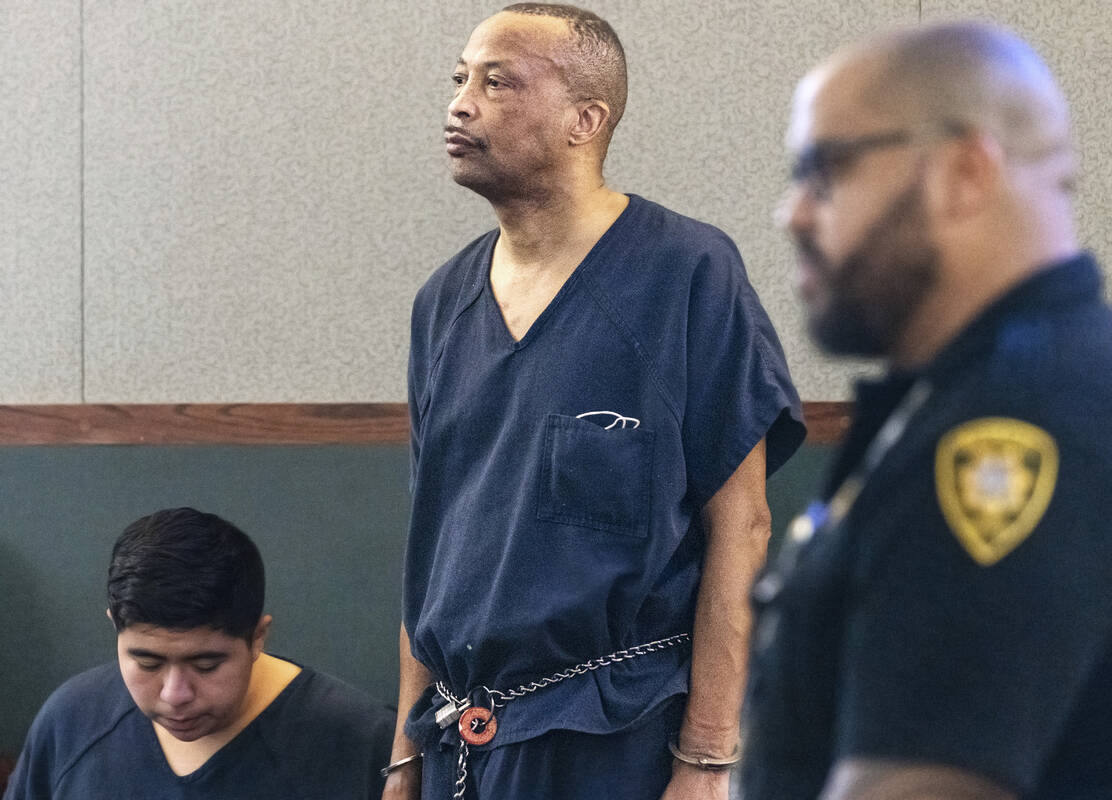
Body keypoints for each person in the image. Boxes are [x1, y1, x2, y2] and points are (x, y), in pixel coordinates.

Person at [739, 20, 1112, 800]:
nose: (794, 213)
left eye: (826, 170)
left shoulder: (1027, 417)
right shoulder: (972, 390)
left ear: (964, 172)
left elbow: (926, 785)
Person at [385, 4, 805, 799]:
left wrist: (707, 758)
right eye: (460, 79)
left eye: (497, 82)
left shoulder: (685, 272)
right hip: (458, 740)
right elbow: (430, 548)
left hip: (617, 738)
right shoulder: (443, 302)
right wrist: (405, 758)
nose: (461, 104)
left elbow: (742, 526)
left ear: (585, 119)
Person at [3, 507, 395, 799]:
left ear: (257, 637)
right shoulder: (71, 721)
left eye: (206, 665)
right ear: (115, 628)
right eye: (147, 662)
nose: (175, 695)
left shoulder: (363, 742)